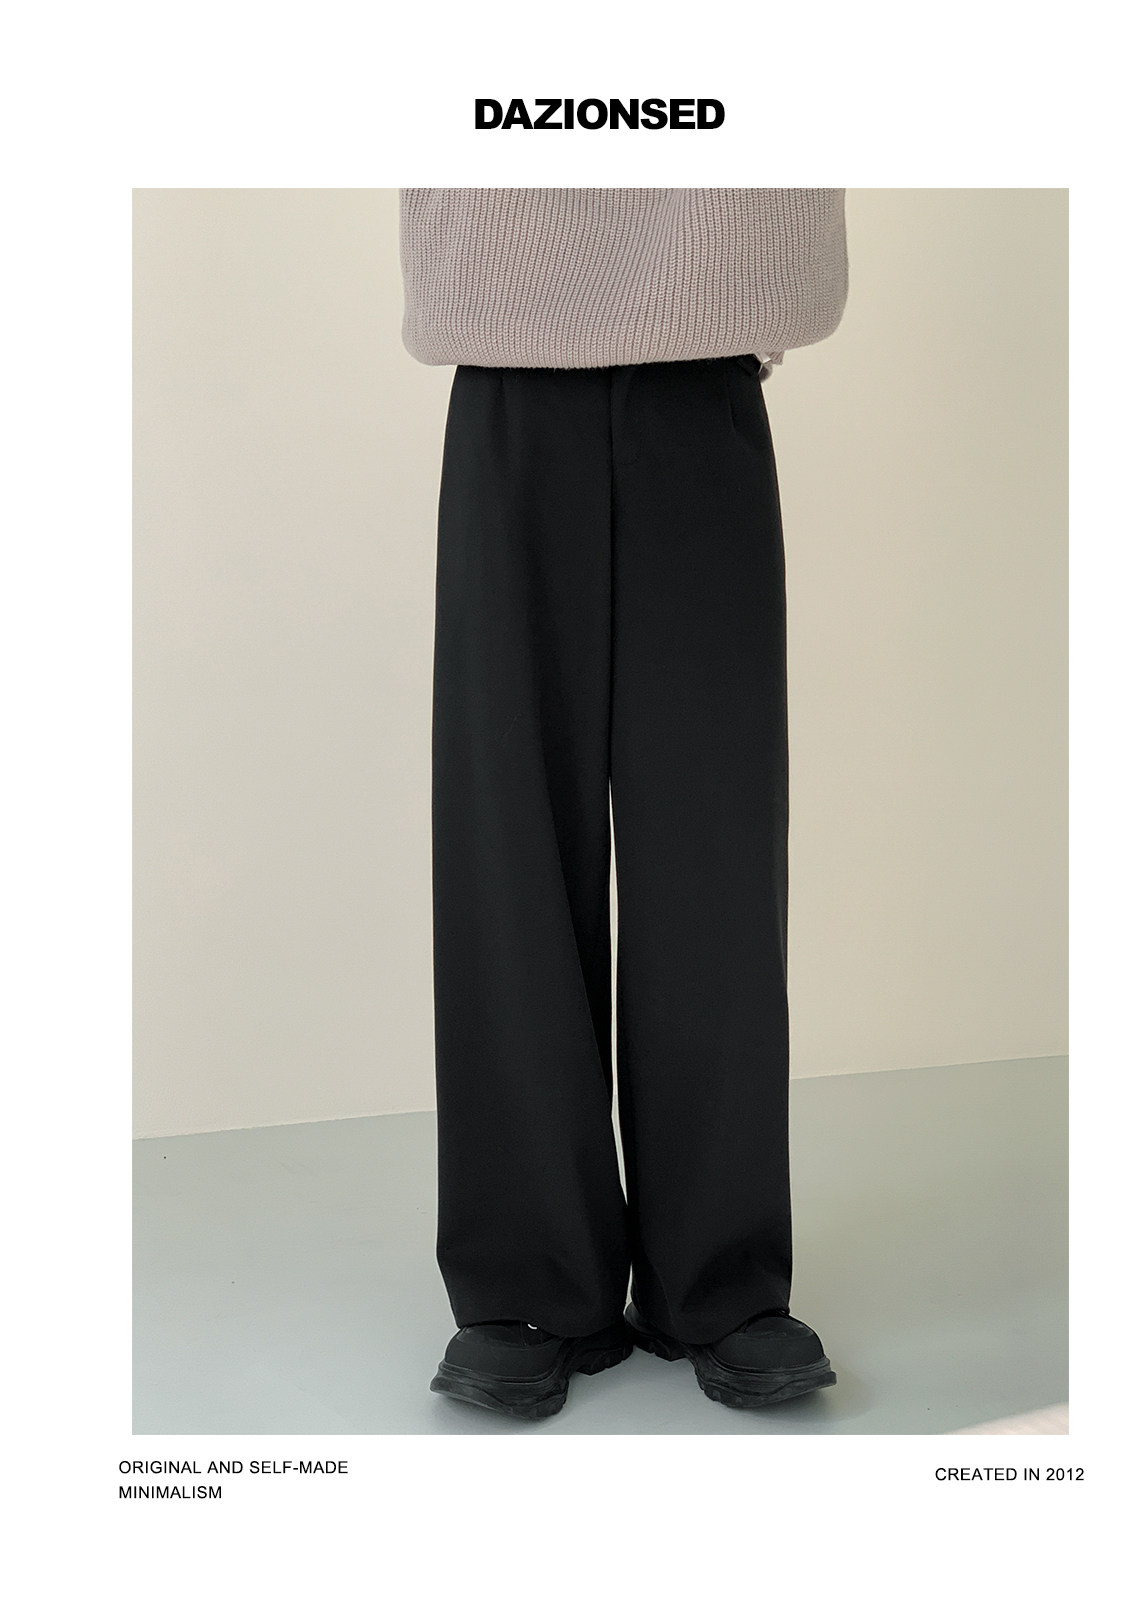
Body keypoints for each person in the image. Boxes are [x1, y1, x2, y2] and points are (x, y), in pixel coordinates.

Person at [398, 187, 849, 1420]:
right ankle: (529, 1278)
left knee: (713, 838)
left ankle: (722, 1275)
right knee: (507, 834)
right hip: (508, 341)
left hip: (709, 348)